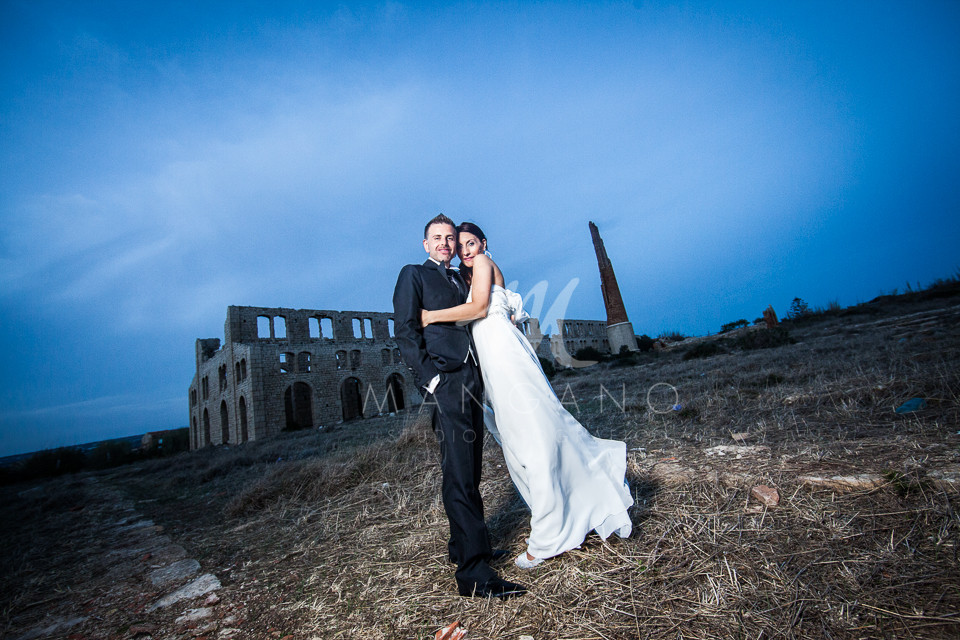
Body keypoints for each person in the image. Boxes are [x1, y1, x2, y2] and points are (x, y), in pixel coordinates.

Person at [421, 222, 634, 569]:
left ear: (484, 243)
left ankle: (548, 536)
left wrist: (430, 316)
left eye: (471, 243)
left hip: (507, 362)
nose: (466, 251)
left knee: (533, 440)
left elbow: (476, 310)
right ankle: (568, 508)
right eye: (461, 248)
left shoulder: (485, 265)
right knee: (522, 443)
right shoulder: (474, 273)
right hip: (496, 365)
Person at [392, 214, 526, 599]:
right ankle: (473, 574)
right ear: (425, 244)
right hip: (445, 382)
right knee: (459, 470)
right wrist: (430, 379)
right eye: (437, 238)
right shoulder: (413, 275)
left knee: (469, 466)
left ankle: (465, 548)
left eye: (450, 238)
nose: (445, 244)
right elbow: (405, 331)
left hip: (472, 380)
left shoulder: (461, 276)